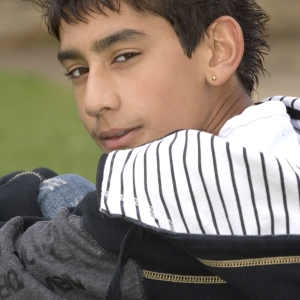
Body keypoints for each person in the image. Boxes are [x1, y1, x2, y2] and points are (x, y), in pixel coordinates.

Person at [0, 0, 300, 299]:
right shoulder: (285, 130)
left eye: (124, 56)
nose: (93, 101)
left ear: (218, 50)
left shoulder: (167, 187)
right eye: (78, 71)